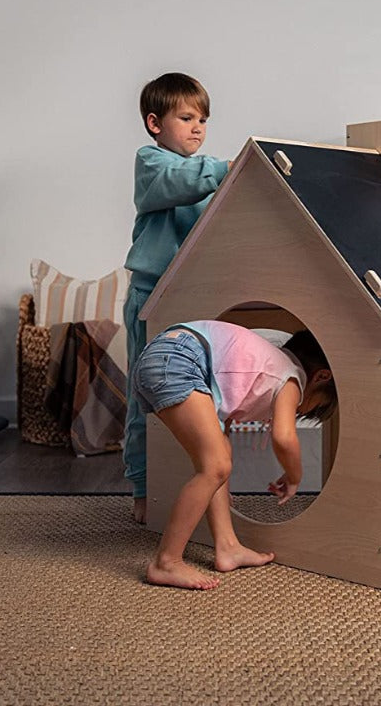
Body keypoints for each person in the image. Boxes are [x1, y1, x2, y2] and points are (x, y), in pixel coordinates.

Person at [132, 321, 337, 590]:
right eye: (313, 406)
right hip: (180, 359)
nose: (300, 411)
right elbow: (284, 438)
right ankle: (166, 562)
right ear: (321, 377)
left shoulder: (260, 366)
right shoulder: (291, 378)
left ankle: (227, 546)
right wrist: (294, 475)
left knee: (218, 458)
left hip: (169, 354)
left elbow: (222, 432)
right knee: (215, 466)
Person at [123, 73, 232, 525]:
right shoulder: (154, 164)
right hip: (152, 300)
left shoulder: (204, 179)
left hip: (194, 305)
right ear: (155, 123)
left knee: (199, 400)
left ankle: (201, 490)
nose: (197, 127)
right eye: (186, 117)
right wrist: (234, 166)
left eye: (203, 119)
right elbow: (184, 180)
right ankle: (144, 491)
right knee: (143, 398)